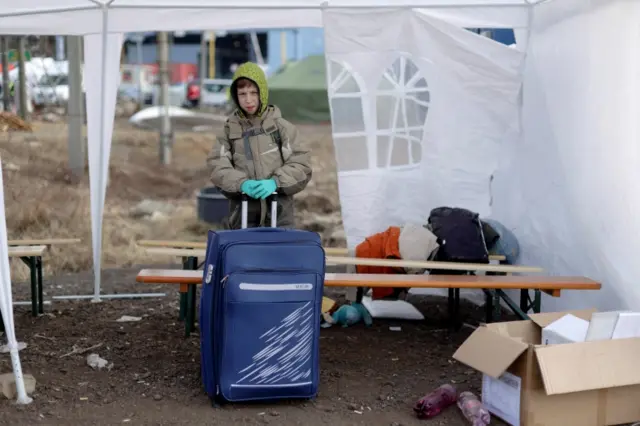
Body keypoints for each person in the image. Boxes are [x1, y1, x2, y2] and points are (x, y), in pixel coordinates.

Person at [208, 62, 312, 229]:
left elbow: (301, 164)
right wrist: (241, 184)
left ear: (262, 92)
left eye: (253, 92)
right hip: (242, 218)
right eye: (242, 94)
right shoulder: (228, 132)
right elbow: (217, 167)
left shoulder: (282, 128)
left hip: (279, 217)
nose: (248, 100)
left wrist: (275, 182)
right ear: (235, 96)